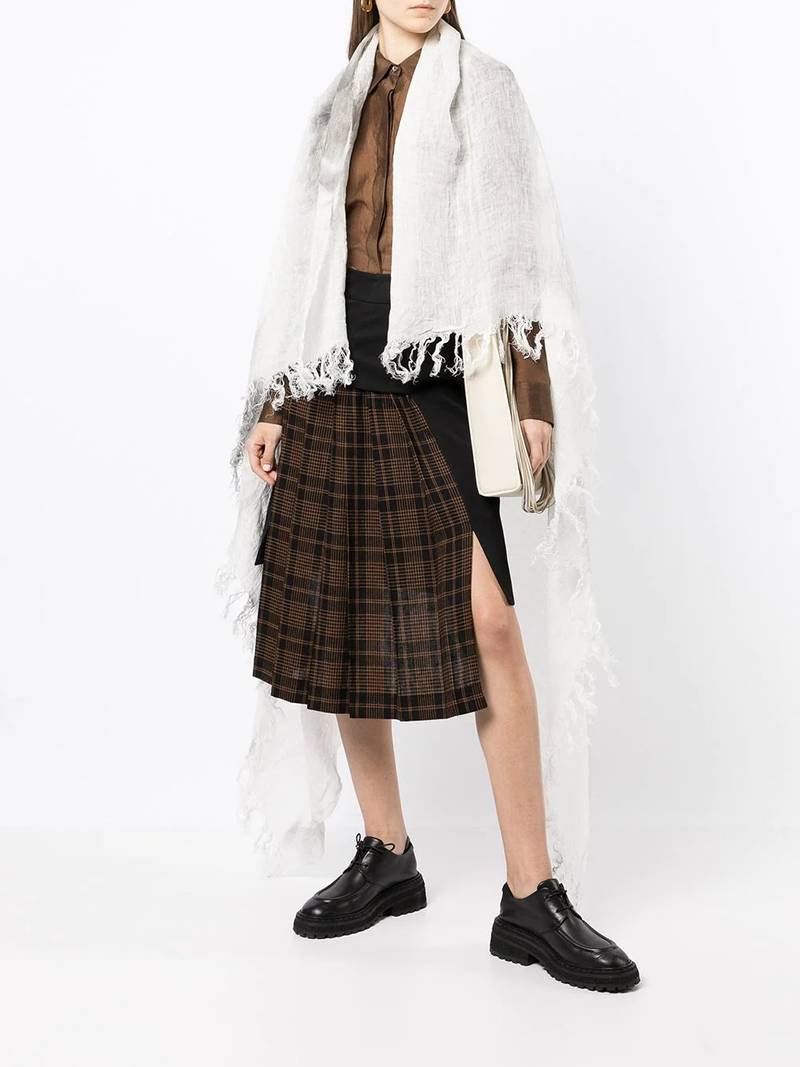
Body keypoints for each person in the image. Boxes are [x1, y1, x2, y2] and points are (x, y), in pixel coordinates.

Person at [226, 1, 640, 993]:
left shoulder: (483, 88)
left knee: (490, 622)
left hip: (438, 373)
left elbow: (516, 249)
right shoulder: (336, 98)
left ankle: (531, 894)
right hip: (332, 372)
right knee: (337, 619)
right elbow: (305, 263)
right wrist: (275, 399)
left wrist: (531, 397)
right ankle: (386, 853)